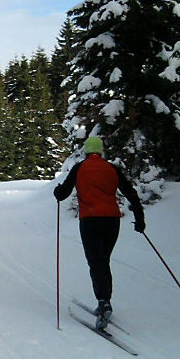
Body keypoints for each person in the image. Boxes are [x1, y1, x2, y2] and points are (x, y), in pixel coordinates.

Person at [53, 135, 145, 329]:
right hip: (112, 221)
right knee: (103, 260)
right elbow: (131, 193)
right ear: (101, 151)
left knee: (96, 262)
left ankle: (104, 302)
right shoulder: (112, 169)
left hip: (90, 221)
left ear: (86, 151)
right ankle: (104, 300)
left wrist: (57, 191)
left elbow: (63, 194)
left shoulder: (79, 168)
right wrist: (139, 219)